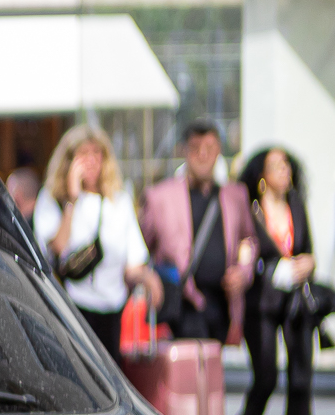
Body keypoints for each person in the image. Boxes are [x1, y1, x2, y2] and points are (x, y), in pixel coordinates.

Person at [229, 146, 319, 415]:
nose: (285, 171)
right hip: (262, 302)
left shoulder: (297, 205)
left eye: (287, 165)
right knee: (266, 376)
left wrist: (308, 262)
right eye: (276, 165)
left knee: (300, 378)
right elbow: (246, 256)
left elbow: (308, 250)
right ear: (262, 175)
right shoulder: (250, 209)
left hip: (296, 302)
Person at [32, 127, 158, 355]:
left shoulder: (119, 201)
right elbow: (57, 246)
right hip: (72, 305)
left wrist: (150, 279)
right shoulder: (53, 198)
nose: (91, 161)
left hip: (112, 308)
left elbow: (132, 261)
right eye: (83, 154)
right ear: (69, 161)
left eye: (96, 154)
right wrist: (72, 199)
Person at [139, 118, 252, 343]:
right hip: (182, 303)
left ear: (219, 151)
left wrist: (244, 271)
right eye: (195, 149)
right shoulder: (159, 197)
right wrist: (150, 281)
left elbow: (248, 239)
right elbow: (140, 249)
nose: (202, 155)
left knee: (213, 369)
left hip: (222, 303)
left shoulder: (235, 195)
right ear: (184, 151)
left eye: (209, 149)